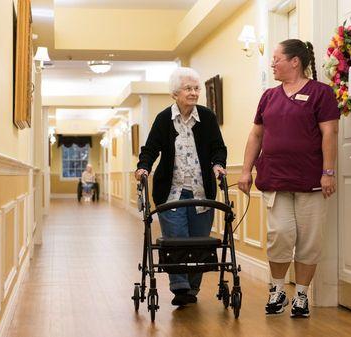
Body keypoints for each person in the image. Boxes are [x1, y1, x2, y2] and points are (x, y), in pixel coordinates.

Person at [238, 39, 340, 317]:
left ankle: (302, 296)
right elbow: (256, 134)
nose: (272, 64)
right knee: (279, 236)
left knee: (309, 241)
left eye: (276, 58)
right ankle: (278, 290)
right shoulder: (269, 96)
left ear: (295, 61)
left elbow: (329, 133)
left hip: (311, 180)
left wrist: (328, 171)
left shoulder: (321, 93)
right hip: (275, 178)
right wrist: (246, 170)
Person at [135, 67, 227, 306]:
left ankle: (192, 288)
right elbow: (150, 148)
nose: (194, 93)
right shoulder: (164, 119)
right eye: (188, 88)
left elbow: (219, 147)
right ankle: (180, 288)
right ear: (175, 93)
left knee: (198, 242)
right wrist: (143, 167)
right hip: (172, 192)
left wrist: (218, 164)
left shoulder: (206, 117)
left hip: (201, 192)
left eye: (196, 88)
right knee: (176, 240)